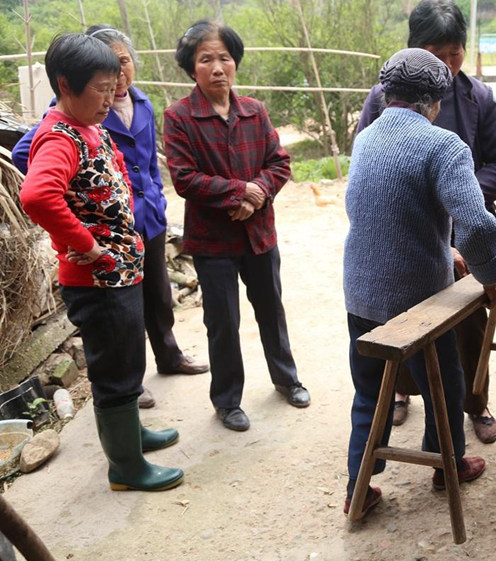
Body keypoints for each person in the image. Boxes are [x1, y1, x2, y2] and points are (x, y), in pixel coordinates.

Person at [343, 48, 496, 517]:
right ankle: (447, 464)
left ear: (386, 94)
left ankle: (359, 489)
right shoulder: (444, 145)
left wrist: (444, 250)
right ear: (434, 102)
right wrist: (490, 273)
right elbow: (476, 226)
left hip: (361, 291)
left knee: (368, 392)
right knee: (444, 383)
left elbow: (380, 214)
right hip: (419, 298)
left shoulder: (366, 140)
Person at [12, 25, 210, 411]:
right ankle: (129, 405)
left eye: (124, 65)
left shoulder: (134, 105)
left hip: (145, 222)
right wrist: (82, 218)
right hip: (104, 249)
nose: (117, 81)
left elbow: (147, 159)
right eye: (106, 77)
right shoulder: (65, 126)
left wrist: (151, 194)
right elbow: (32, 175)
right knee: (119, 334)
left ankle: (164, 361)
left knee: (157, 298)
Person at [19, 33, 183, 491]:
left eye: (115, 88)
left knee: (128, 360)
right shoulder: (58, 135)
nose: (111, 98)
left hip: (119, 271)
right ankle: (125, 468)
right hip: (97, 278)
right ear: (65, 85)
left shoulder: (90, 125)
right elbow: (36, 195)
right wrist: (88, 245)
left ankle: (132, 439)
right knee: (114, 368)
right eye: (101, 89)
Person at [357, 0, 496, 444]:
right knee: (398, 318)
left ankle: (475, 402)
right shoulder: (382, 100)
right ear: (414, 52)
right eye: (436, 53)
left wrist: (458, 197)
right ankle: (401, 394)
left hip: (466, 232)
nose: (448, 65)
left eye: (455, 53)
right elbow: (367, 168)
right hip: (408, 236)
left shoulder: (477, 97)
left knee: (468, 328)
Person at [163, 20, 309, 432]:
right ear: (192, 69)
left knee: (270, 311)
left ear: (235, 62)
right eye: (205, 59)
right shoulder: (179, 117)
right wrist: (239, 192)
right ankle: (227, 401)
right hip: (214, 242)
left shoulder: (254, 110)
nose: (217, 67)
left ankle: (287, 379)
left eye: (224, 58)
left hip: (259, 234)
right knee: (223, 322)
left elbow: (279, 163)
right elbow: (184, 177)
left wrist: (258, 192)